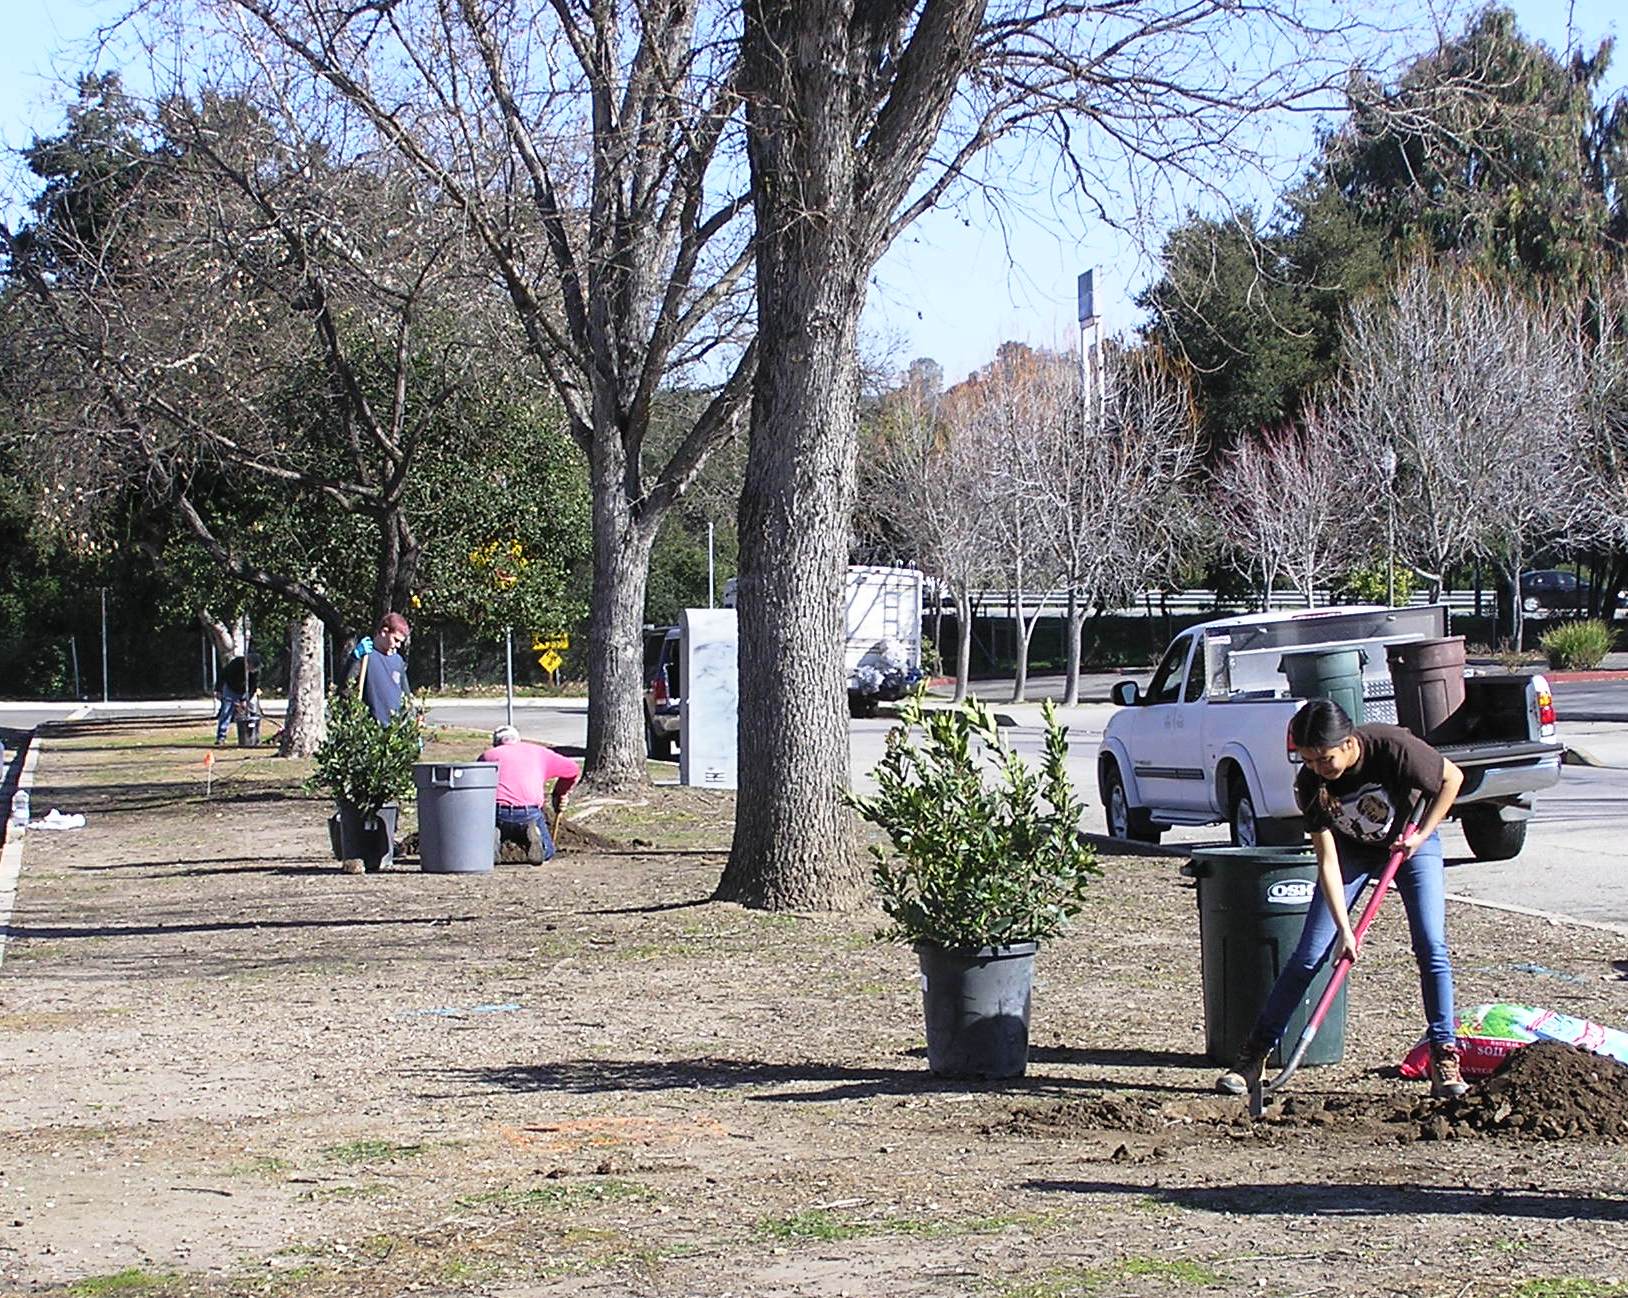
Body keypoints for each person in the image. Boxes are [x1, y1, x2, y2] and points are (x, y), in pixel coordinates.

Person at [1217, 699, 1469, 1100]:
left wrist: (1421, 836)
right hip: (1352, 855)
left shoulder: (1393, 747)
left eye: (1325, 758)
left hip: (1411, 847)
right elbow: (1328, 860)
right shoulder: (1310, 785)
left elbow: (1452, 779)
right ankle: (1253, 1058)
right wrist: (1344, 929)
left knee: (1431, 945)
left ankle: (1444, 1055)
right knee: (1308, 955)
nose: (1319, 768)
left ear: (1348, 743)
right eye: (1309, 759)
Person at [478, 724, 580, 864]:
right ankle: (534, 836)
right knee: (548, 852)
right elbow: (572, 769)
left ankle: (493, 839)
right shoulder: (539, 753)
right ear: (518, 740)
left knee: (495, 824)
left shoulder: (488, 756)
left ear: (496, 743)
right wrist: (559, 793)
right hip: (529, 813)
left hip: (497, 812)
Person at [346, 612, 412, 724]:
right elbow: (346, 687)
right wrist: (354, 658)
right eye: (396, 640)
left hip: (395, 732)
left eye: (400, 642)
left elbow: (406, 696)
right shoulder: (366, 656)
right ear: (384, 632)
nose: (398, 645)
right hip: (372, 731)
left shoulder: (398, 661)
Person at [214, 651, 263, 745]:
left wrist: (245, 700)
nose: (253, 670)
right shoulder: (236, 663)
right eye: (251, 667)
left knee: (254, 712)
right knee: (226, 712)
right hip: (231, 689)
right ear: (247, 663)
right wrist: (218, 690)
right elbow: (223, 675)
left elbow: (254, 686)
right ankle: (221, 737)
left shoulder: (256, 672)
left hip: (246, 691)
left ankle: (254, 736)